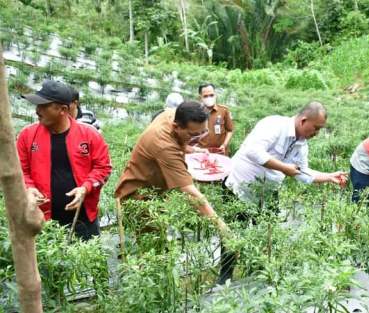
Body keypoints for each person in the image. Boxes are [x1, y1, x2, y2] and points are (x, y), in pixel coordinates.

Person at [114, 101, 233, 283]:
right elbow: (190, 192)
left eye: (203, 132)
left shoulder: (172, 114)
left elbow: (181, 143)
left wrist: (192, 148)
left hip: (158, 190)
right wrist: (220, 225)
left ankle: (159, 279)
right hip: (139, 196)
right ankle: (152, 289)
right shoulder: (163, 144)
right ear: (177, 127)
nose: (199, 137)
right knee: (152, 248)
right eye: (194, 134)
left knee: (160, 240)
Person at [16, 80, 112, 240]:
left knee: (89, 263)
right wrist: (29, 188)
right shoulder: (27, 136)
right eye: (37, 105)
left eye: (43, 106)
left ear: (63, 109)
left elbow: (103, 168)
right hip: (42, 220)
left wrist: (85, 188)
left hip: (83, 220)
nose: (37, 110)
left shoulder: (89, 135)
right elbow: (20, 170)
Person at [225, 101, 348, 204]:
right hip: (238, 189)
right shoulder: (274, 124)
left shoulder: (302, 144)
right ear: (303, 121)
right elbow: (252, 151)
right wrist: (284, 168)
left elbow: (302, 172)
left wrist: (330, 177)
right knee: (235, 230)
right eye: (316, 128)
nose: (317, 134)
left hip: (265, 195)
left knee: (267, 230)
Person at [192, 83, 234, 155]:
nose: (209, 98)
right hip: (202, 153)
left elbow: (230, 130)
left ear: (215, 95)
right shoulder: (195, 112)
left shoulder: (224, 110)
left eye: (211, 95)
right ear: (200, 97)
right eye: (205, 96)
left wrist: (224, 145)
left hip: (220, 152)